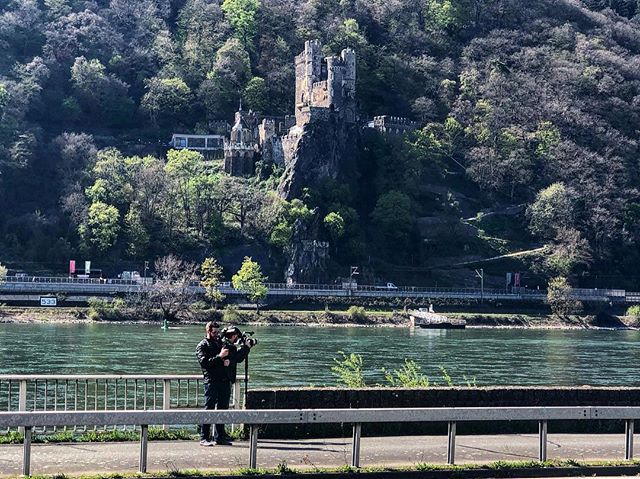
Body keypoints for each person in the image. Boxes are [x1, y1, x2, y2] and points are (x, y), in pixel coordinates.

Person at [195, 322, 253, 446]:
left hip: (224, 381)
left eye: (218, 332)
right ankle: (204, 437)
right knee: (209, 409)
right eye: (214, 332)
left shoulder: (221, 343)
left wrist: (245, 348)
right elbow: (205, 363)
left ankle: (219, 436)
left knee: (223, 408)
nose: (217, 335)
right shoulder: (202, 345)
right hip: (211, 381)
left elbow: (236, 357)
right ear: (208, 331)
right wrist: (220, 357)